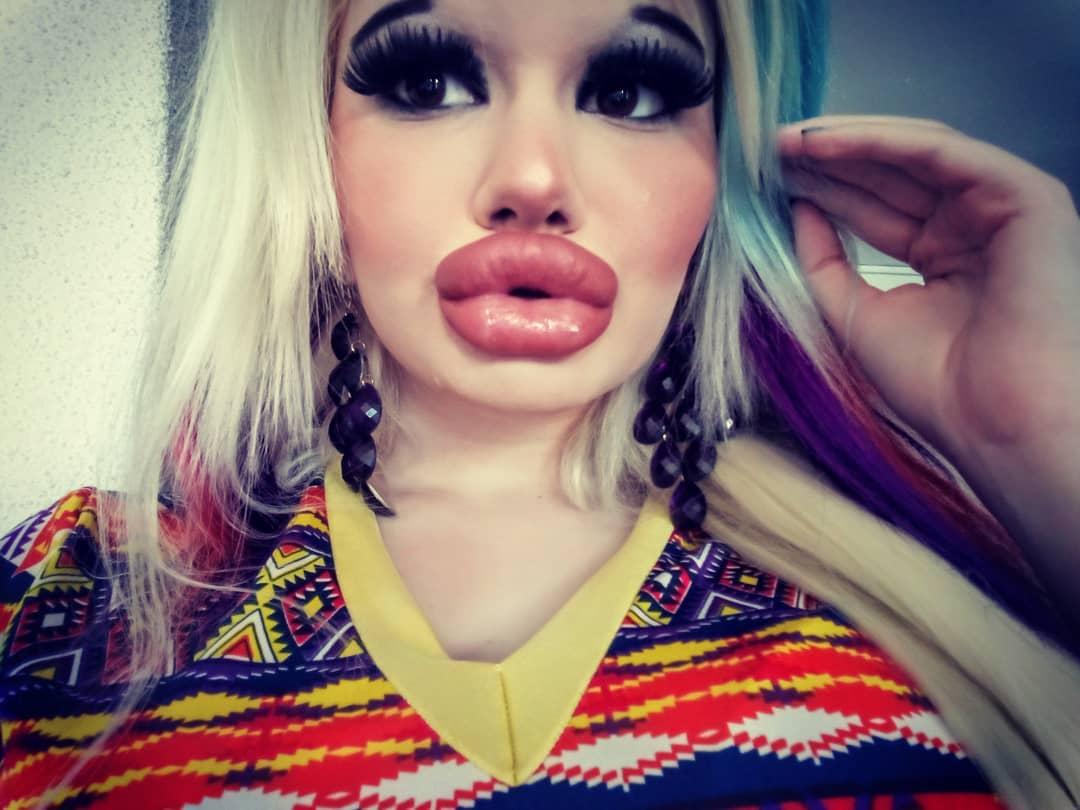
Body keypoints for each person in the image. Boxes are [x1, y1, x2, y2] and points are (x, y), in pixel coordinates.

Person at [2, 0, 1079, 807]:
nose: (532, 178)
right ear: (308, 138)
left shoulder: (971, 546)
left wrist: (1038, 435)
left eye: (631, 91)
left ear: (724, 159)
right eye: (426, 80)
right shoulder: (60, 598)